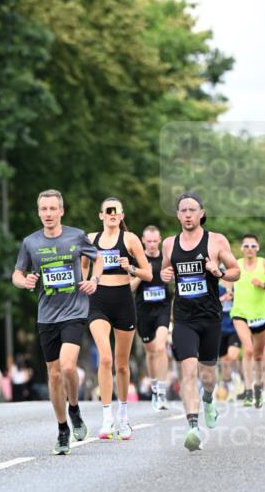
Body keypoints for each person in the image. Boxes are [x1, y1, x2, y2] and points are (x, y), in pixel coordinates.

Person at [13, 188, 102, 455]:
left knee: (67, 366)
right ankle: (63, 428)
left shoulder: (77, 236)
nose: (48, 214)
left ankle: (73, 406)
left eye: (53, 209)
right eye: (44, 209)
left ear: (61, 211)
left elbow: (98, 261)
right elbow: (17, 274)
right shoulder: (31, 242)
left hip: (74, 312)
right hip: (47, 315)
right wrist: (24, 281)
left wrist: (93, 280)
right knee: (53, 375)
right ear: (38, 212)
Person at [161, 192, 239, 452]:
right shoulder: (169, 244)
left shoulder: (216, 241)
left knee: (207, 375)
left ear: (201, 213)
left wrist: (219, 272)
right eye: (183, 210)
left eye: (192, 210)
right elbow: (164, 271)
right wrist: (164, 274)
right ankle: (193, 426)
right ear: (177, 215)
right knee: (188, 369)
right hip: (183, 317)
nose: (187, 215)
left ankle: (208, 398)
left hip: (210, 316)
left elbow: (236, 271)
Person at [86, 198, 151, 440]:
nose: (113, 214)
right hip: (99, 301)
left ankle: (123, 416)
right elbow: (82, 267)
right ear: (101, 215)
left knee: (122, 364)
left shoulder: (130, 239)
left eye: (117, 211)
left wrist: (131, 267)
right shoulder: (91, 239)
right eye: (108, 211)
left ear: (121, 215)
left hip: (123, 300)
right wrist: (87, 282)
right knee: (105, 357)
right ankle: (106, 418)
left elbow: (148, 272)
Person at [230, 234, 265, 409]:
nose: (249, 249)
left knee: (259, 355)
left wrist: (264, 285)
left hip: (261, 315)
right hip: (240, 313)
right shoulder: (235, 265)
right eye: (246, 246)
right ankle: (247, 391)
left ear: (258, 248)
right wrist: (228, 293)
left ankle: (258, 387)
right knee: (249, 349)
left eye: (253, 246)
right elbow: (228, 283)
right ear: (242, 249)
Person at [130, 225, 172, 412]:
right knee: (151, 352)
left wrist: (170, 277)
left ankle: (162, 391)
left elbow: (175, 279)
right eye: (149, 241)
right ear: (143, 241)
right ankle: (154, 386)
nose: (153, 244)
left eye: (156, 241)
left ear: (160, 240)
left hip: (163, 308)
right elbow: (130, 287)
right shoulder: (137, 259)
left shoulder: (166, 259)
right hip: (143, 311)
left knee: (160, 347)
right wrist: (142, 272)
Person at [217, 282, 240, 401]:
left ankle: (236, 376)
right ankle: (230, 386)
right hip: (220, 329)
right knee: (224, 361)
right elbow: (210, 303)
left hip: (234, 327)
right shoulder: (216, 286)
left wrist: (234, 296)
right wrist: (223, 299)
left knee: (233, 355)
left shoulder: (237, 285)